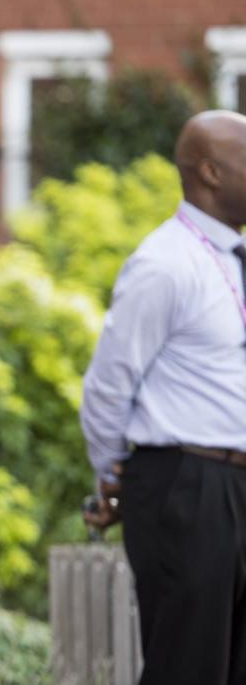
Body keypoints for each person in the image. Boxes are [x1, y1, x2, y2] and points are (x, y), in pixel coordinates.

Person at [81, 110, 246, 685]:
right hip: (187, 485)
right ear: (211, 173)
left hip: (235, 485)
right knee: (189, 667)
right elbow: (108, 384)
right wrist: (113, 477)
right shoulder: (165, 263)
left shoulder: (232, 260)